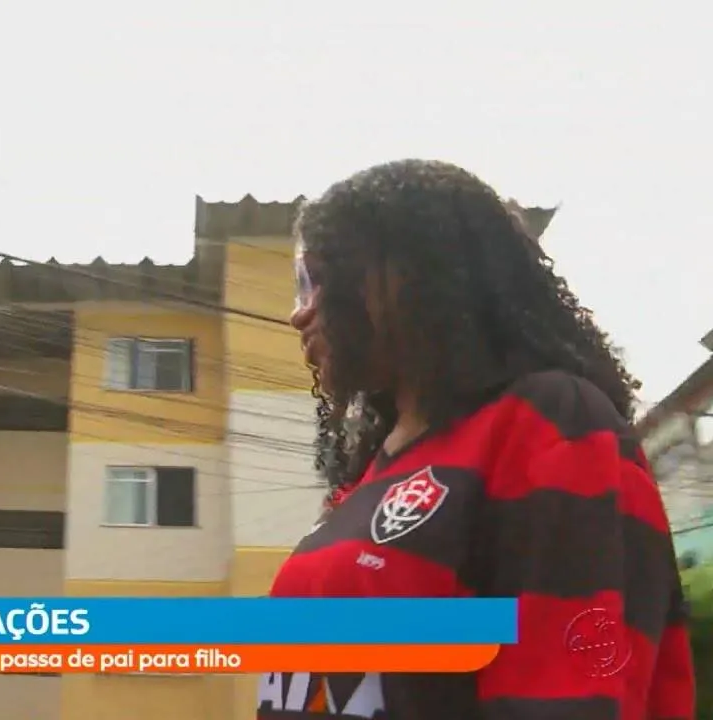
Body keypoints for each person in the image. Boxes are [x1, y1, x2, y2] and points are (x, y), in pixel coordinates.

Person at [260, 160, 694, 719]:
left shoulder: (548, 422)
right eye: (301, 284)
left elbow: (568, 694)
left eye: (323, 279)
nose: (301, 312)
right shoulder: (369, 474)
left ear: (417, 275)